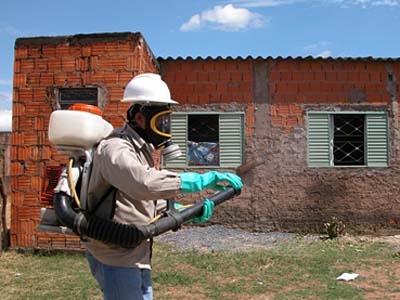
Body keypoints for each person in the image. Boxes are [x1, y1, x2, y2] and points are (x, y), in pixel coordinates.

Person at [84, 73, 243, 300]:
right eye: (161, 122)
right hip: (115, 255)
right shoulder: (115, 148)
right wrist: (199, 180)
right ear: (140, 119)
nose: (165, 129)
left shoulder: (141, 148)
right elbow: (144, 184)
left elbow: (139, 201)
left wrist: (183, 211)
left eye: (167, 121)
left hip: (135, 250)